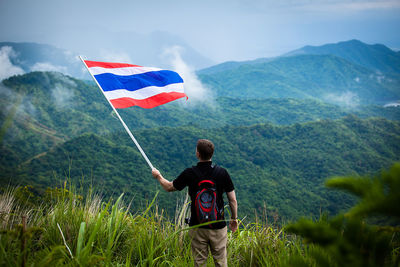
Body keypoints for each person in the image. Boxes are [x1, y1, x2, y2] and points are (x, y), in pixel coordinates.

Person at [152, 139, 238, 267]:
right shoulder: (222, 173)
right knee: (221, 262)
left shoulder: (190, 173)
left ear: (197, 153)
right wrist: (234, 218)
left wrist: (158, 176)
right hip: (218, 227)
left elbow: (169, 187)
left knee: (199, 262)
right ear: (212, 154)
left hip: (197, 226)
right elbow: (232, 200)